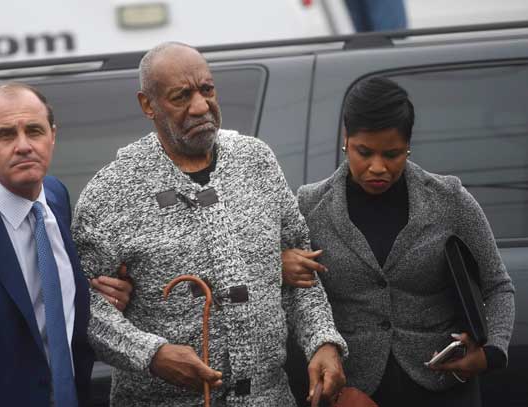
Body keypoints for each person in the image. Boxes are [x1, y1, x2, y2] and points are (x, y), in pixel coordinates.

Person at [71, 41, 348, 407]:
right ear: (147, 105)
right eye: (181, 96)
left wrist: (323, 341)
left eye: (207, 89)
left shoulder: (256, 161)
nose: (201, 106)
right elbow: (81, 306)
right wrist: (152, 354)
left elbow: (302, 270)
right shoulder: (112, 191)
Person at [283, 76, 515, 406]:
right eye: (365, 152)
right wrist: (279, 264)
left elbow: (497, 285)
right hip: (353, 393)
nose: (378, 167)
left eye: (392, 154)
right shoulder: (309, 206)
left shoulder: (449, 199)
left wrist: (492, 353)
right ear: (346, 139)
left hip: (444, 388)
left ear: (408, 145)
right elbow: (286, 295)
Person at [0, 82, 130, 407]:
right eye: (6, 134)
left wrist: (94, 293)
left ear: (53, 135)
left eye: (34, 130)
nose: (23, 146)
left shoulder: (56, 197)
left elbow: (50, 301)